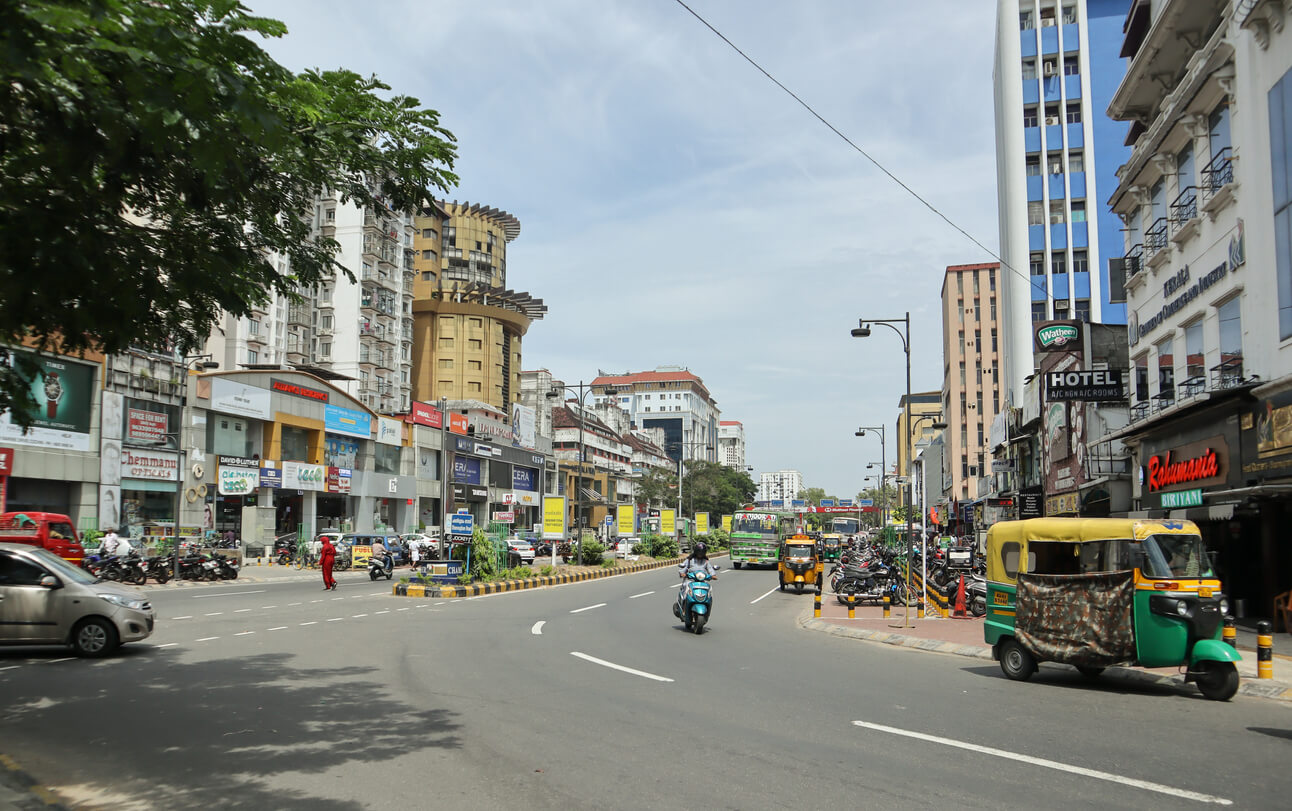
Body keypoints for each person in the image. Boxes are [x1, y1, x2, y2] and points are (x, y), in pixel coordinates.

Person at [677, 541, 718, 608]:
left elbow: (710, 569)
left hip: (702, 581)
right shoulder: (690, 560)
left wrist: (713, 575)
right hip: (691, 580)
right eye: (699, 552)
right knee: (686, 589)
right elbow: (683, 568)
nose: (700, 554)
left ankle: (708, 604)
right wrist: (683, 573)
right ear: (696, 551)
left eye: (702, 552)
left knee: (709, 590)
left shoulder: (706, 561)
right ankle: (683, 605)